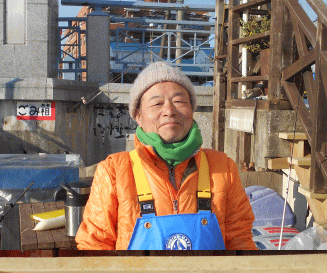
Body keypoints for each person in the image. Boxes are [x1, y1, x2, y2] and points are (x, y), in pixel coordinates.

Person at [75, 62, 257, 250]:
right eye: (157, 103)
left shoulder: (223, 168)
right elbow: (93, 246)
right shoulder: (113, 171)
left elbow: (241, 242)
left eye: (179, 101)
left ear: (192, 110)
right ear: (138, 115)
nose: (169, 111)